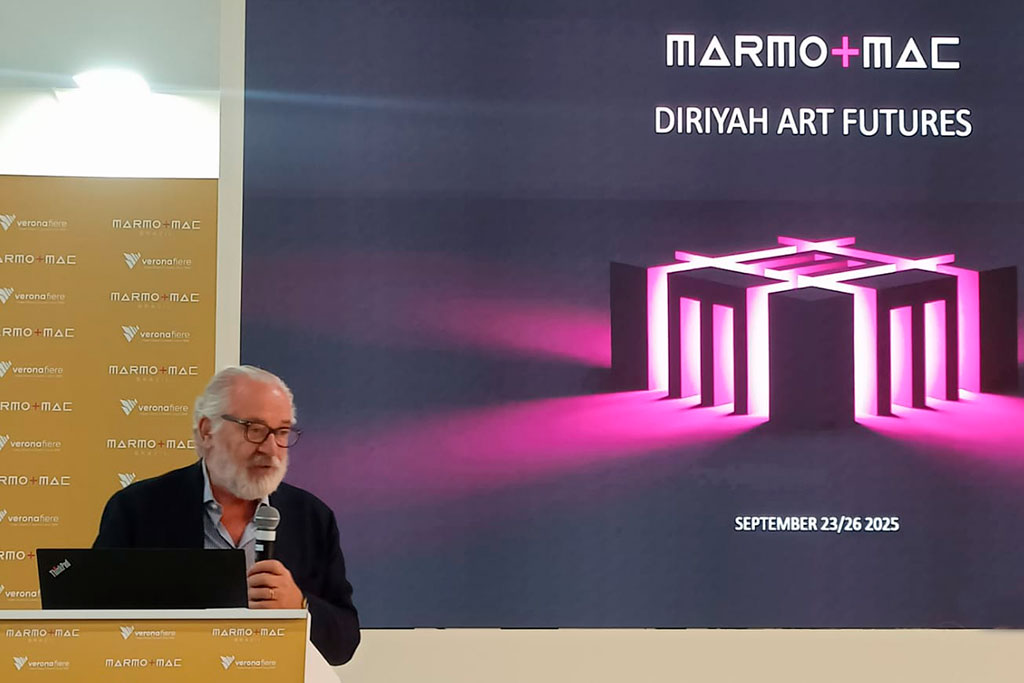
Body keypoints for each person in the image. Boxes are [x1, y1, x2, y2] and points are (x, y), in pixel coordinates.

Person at [93, 365, 360, 665]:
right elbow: (96, 624)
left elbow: (344, 644)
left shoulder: (312, 518)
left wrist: (300, 606)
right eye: (254, 429)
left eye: (282, 432)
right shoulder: (137, 510)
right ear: (207, 431)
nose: (271, 449)